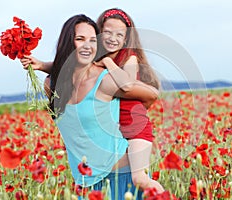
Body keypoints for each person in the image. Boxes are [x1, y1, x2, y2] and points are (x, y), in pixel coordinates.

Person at [21, 8, 164, 193]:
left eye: (92, 40)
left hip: (120, 175)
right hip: (85, 184)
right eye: (80, 39)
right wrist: (41, 65)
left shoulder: (109, 75)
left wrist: (136, 111)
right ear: (68, 42)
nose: (87, 45)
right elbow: (64, 67)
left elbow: (145, 91)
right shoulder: (52, 84)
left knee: (141, 178)